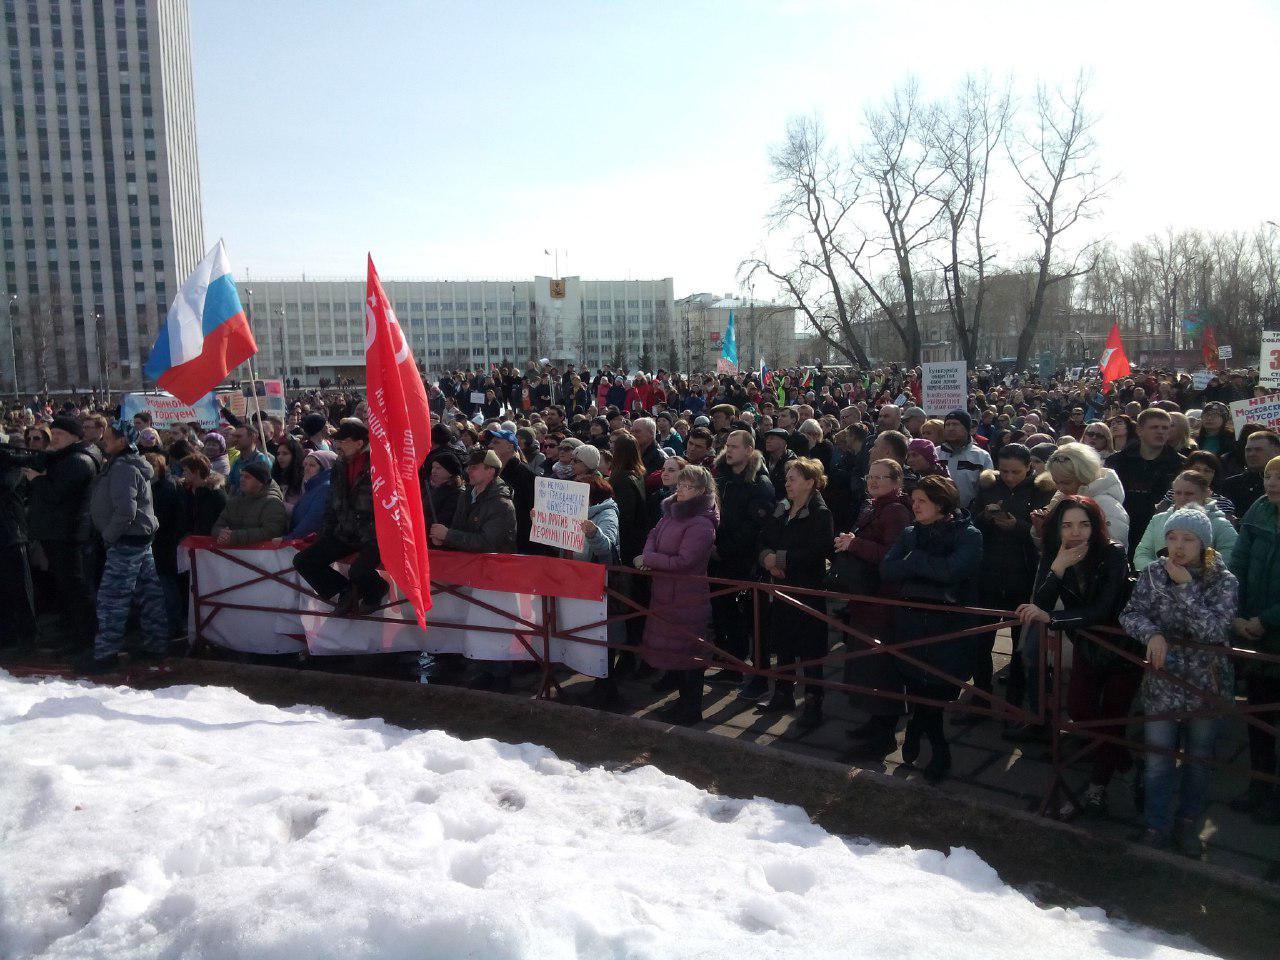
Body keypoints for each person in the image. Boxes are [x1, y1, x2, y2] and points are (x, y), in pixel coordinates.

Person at [1120, 506, 1240, 857]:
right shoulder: (1155, 573)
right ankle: (1155, 826)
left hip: (1205, 683)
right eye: (1172, 537)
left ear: (1204, 544)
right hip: (1162, 682)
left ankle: (1188, 823)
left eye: (1187, 539)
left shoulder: (1223, 580)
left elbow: (1215, 630)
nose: (1178, 546)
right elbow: (1131, 613)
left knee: (1199, 759)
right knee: (1158, 758)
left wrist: (1186, 588)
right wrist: (1152, 634)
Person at [1016, 496, 1134, 815]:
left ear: (1096, 526)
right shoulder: (1060, 555)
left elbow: (1102, 609)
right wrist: (1057, 567)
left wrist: (1052, 619)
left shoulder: (1113, 553)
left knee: (1112, 716)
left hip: (1122, 651)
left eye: (1084, 524)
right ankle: (1122, 757)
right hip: (1086, 647)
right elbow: (1040, 602)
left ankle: (1098, 787)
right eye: (1068, 525)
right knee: (1081, 710)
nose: (1076, 532)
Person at [879, 475, 983, 784]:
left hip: (949, 628)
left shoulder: (969, 535)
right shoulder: (911, 533)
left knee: (938, 690)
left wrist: (916, 561)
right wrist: (923, 565)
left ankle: (919, 732)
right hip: (911, 624)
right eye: (914, 499)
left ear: (941, 504)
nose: (915, 505)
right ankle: (938, 750)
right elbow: (887, 568)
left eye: (922, 501)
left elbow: (953, 571)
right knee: (916, 683)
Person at [835, 458, 914, 749]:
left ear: (897, 481)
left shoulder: (894, 510)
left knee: (881, 666)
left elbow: (893, 555)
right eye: (871, 476)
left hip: (883, 599)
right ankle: (875, 723)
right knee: (869, 666)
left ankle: (884, 735)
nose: (874, 481)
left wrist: (854, 544)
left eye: (882, 477)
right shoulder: (877, 506)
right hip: (868, 598)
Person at [971, 443, 1054, 707]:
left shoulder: (1041, 491)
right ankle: (981, 694)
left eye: (1015, 472)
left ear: (1028, 467)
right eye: (1004, 471)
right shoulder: (989, 486)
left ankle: (1015, 699)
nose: (1008, 477)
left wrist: (1018, 527)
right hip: (989, 574)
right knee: (981, 641)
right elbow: (972, 524)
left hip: (1023, 576)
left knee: (1020, 645)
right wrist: (986, 515)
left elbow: (1047, 533)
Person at [755, 458, 835, 729]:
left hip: (807, 589)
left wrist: (779, 559)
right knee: (784, 641)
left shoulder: (820, 513)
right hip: (780, 586)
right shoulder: (782, 507)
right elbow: (765, 537)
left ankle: (813, 703)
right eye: (787, 478)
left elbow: (818, 551)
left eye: (793, 479)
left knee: (810, 649)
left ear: (810, 482)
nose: (787, 483)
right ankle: (782, 693)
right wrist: (766, 557)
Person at [637, 464, 719, 725]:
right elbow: (653, 534)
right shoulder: (671, 512)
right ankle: (682, 705)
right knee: (676, 654)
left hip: (686, 596)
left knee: (690, 655)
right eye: (680, 485)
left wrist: (649, 558)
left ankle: (691, 709)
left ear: (702, 491)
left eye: (688, 487)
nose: (681, 490)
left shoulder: (701, 523)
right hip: (665, 592)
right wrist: (650, 555)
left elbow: (685, 561)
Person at [84, 420, 168, 673]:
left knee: (112, 599)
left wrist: (108, 537)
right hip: (138, 539)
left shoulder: (122, 468)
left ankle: (105, 654)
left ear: (122, 441)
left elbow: (125, 512)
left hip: (126, 540)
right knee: (149, 594)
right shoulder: (127, 464)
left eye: (108, 437)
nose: (104, 441)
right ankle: (155, 644)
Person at [1227, 454, 1280, 822]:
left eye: (1279, 477)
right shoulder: (1259, 509)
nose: (1272, 483)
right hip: (1254, 631)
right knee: (1259, 717)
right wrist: (1238, 614)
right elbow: (1238, 563)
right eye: (1268, 476)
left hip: (1272, 628)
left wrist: (1267, 620)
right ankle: (1260, 783)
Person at [293, 419, 384, 618]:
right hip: (346, 530)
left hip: (374, 535)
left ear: (359, 443)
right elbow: (332, 503)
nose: (338, 445)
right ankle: (345, 591)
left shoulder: (379, 465)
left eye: (343, 441)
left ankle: (375, 592)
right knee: (304, 561)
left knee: (359, 572)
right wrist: (325, 535)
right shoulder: (340, 465)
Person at [23, 414, 99, 648]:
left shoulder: (77, 460)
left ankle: (84, 637)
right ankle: (73, 630)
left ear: (75, 437)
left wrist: (37, 480)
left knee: (75, 586)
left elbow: (57, 493)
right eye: (53, 434)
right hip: (58, 531)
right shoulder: (65, 457)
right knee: (67, 586)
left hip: (68, 533)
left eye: (59, 435)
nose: (54, 439)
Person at [709, 430, 774, 694]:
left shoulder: (759, 483)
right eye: (727, 445)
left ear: (749, 450)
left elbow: (754, 527)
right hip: (719, 557)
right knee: (724, 614)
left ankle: (758, 675)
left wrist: (722, 549)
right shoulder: (721, 476)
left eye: (735, 446)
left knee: (752, 619)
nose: (729, 450)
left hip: (744, 561)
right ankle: (732, 664)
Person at [1108, 408, 1186, 558]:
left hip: (1160, 534)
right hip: (1122, 528)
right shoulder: (1117, 461)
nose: (1161, 432)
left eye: (1165, 428)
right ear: (1139, 430)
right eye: (1154, 427)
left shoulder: (1180, 465)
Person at [1133, 470, 1237, 570]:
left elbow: (1231, 558)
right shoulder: (1158, 519)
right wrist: (1163, 573)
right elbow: (1142, 554)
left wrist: (1194, 577)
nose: (1183, 498)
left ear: (1205, 494)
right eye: (1178, 493)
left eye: (1189, 493)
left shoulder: (1220, 524)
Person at [1041, 443, 1130, 546]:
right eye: (1056, 482)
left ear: (1084, 476)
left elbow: (1114, 549)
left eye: (1066, 483)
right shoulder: (1061, 498)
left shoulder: (1107, 505)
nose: (1060, 488)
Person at [144, 452, 188, 638]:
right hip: (161, 543)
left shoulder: (167, 487)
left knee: (166, 585)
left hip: (165, 543)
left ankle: (173, 625)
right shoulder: (155, 486)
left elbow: (163, 517)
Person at [211, 460, 289, 546]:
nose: (241, 480)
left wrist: (235, 537)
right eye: (242, 476)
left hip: (261, 557)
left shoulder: (273, 503)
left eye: (247, 477)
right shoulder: (235, 501)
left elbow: (271, 532)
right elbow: (217, 526)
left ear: (260, 482)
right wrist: (221, 534)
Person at [489, 429, 535, 551]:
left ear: (510, 447)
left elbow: (531, 507)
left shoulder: (525, 474)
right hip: (497, 537)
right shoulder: (492, 471)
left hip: (518, 541)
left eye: (496, 442)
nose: (490, 445)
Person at [935, 410, 992, 509]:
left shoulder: (982, 457)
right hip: (937, 516)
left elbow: (988, 490)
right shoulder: (935, 453)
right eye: (947, 425)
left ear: (967, 428)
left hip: (970, 516)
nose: (950, 428)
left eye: (955, 424)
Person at [1221, 430, 1280, 516]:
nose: (1251, 454)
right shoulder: (1232, 485)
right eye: (1248, 450)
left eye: (1258, 450)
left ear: (1276, 452)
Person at [180, 453, 228, 537]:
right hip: (189, 542)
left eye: (186, 470)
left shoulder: (216, 494)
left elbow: (224, 521)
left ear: (196, 472)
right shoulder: (185, 491)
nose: (183, 474)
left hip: (209, 544)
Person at [420, 450, 463, 533]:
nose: (434, 471)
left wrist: (419, 522)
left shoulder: (456, 493)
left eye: (438, 468)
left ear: (450, 472)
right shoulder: (428, 487)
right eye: (433, 467)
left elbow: (445, 519)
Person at [227, 423, 274, 493]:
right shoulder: (237, 461)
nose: (235, 440)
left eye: (239, 436)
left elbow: (266, 490)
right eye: (234, 436)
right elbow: (232, 486)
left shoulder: (262, 461)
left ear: (253, 437)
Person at [271, 435, 307, 509]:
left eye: (285, 454)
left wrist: (281, 505)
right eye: (278, 454)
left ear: (295, 455)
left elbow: (303, 509)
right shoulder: (275, 475)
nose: (280, 457)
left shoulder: (303, 479)